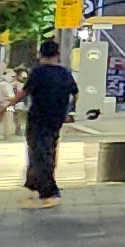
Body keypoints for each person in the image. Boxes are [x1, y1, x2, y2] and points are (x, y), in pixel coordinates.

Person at [20, 38, 76, 206]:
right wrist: (68, 111)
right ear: (57, 55)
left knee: (39, 152)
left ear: (40, 55)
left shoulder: (38, 72)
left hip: (37, 118)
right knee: (48, 150)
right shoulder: (65, 73)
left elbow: (24, 92)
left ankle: (49, 190)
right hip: (56, 119)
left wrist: (6, 107)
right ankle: (33, 184)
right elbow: (75, 93)